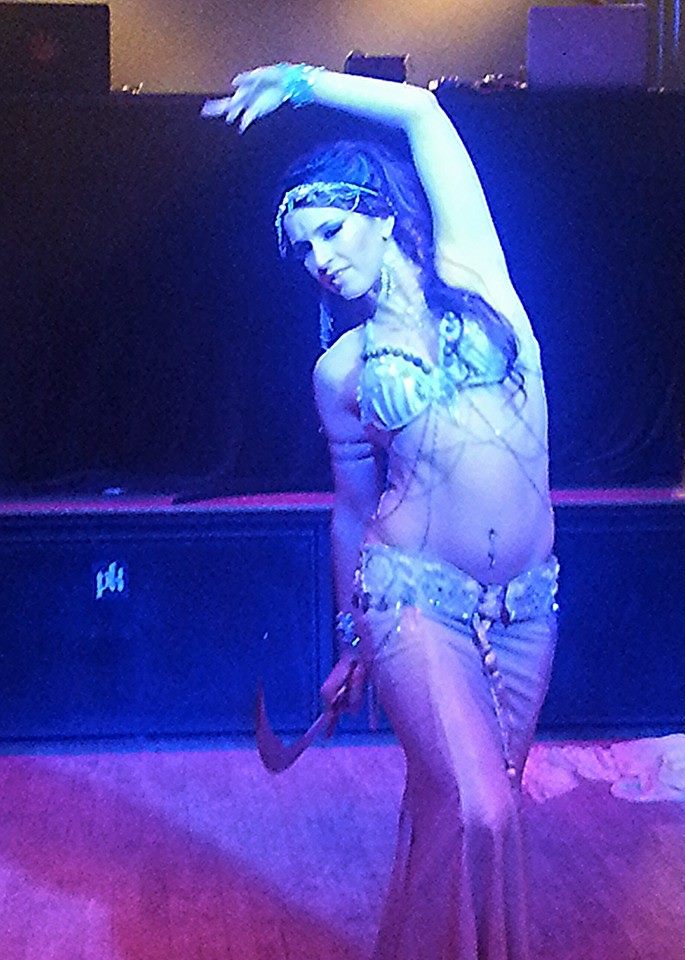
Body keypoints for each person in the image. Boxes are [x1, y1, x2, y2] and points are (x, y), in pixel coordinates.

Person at [202, 63, 559, 960]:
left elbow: (423, 113)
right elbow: (351, 510)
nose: (319, 260)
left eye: (328, 231)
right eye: (302, 251)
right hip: (410, 599)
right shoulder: (340, 369)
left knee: (472, 804)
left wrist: (300, 82)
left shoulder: (477, 275)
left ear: (382, 214)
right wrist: (348, 641)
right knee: (478, 809)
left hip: (527, 606)